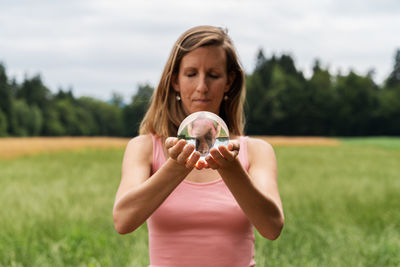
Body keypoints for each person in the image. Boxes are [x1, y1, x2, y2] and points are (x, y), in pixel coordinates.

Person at [113, 25, 284, 267]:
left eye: (213, 75)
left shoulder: (256, 151)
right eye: (191, 74)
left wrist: (231, 169)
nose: (202, 86)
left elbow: (272, 227)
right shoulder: (144, 148)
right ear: (174, 81)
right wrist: (176, 166)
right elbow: (123, 221)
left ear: (229, 81)